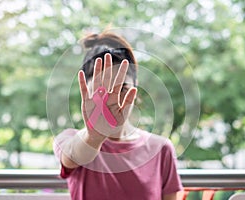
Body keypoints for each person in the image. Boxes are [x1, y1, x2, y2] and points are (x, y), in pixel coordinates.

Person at [53, 31, 183, 200]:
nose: (111, 99)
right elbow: (73, 155)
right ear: (85, 89)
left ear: (135, 89)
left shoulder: (161, 149)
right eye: (102, 90)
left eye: (121, 88)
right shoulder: (69, 139)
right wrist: (94, 137)